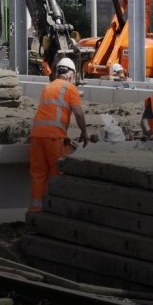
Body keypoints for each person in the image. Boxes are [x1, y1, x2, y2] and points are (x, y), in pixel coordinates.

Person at [29, 57, 89, 212]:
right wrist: (84, 131)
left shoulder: (47, 87)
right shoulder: (69, 88)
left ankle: (36, 210)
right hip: (53, 137)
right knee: (57, 173)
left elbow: (50, 113)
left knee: (38, 173)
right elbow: (79, 114)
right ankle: (56, 210)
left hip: (36, 136)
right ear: (70, 75)